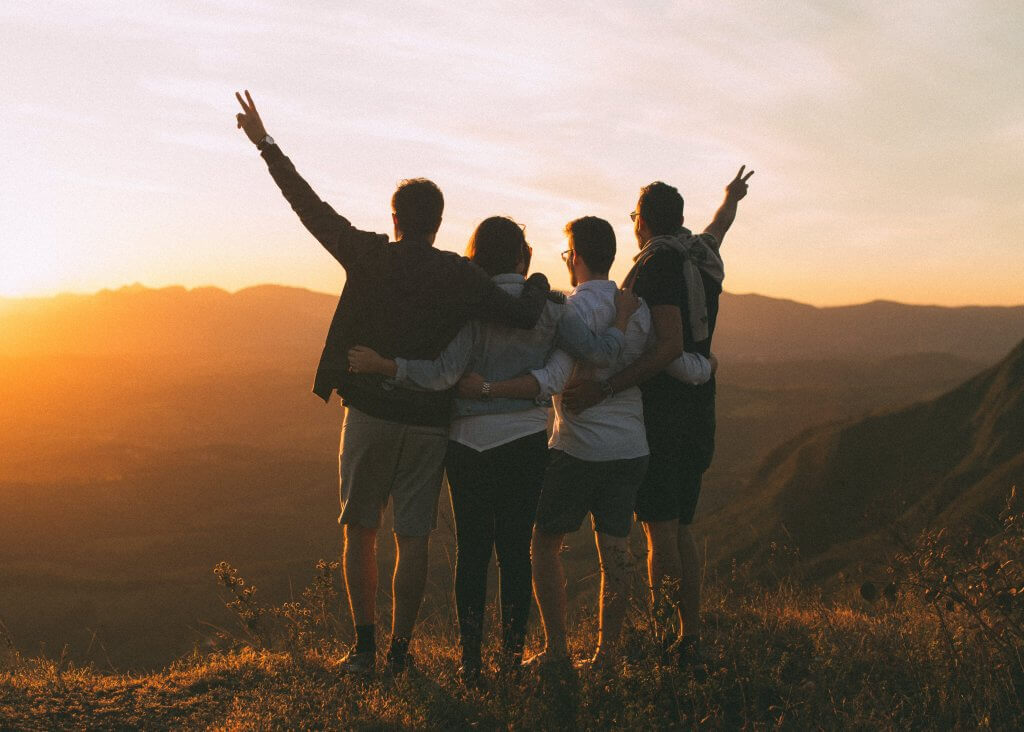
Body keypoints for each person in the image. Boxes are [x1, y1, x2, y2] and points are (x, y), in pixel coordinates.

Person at [234, 91, 554, 675]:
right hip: (431, 422)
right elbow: (523, 314)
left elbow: (309, 207)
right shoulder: (459, 273)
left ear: (396, 218)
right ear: (438, 223)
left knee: (361, 528)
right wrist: (537, 281)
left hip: (371, 414)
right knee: (414, 537)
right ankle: (402, 653)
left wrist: (266, 143)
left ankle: (363, 649)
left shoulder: (368, 255)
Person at [346, 216, 640, 682]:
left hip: (467, 444)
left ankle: (470, 664)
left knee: (473, 553)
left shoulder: (470, 308)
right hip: (524, 441)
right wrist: (621, 320)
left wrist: (390, 367)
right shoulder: (550, 308)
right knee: (515, 553)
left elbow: (442, 372)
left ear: (476, 257)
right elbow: (602, 353)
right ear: (523, 257)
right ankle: (509, 663)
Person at [476, 217, 713, 670]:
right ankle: (608, 653)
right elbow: (671, 362)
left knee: (544, 544)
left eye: (568, 255)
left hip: (579, 448)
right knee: (617, 552)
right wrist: (707, 367)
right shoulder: (638, 309)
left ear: (576, 257)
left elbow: (561, 376)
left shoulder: (570, 310)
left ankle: (558, 650)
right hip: (631, 447)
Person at [562, 168, 753, 670]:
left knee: (660, 530)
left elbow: (666, 344)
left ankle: (672, 644)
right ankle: (687, 639)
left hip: (667, 411)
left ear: (642, 222)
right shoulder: (700, 254)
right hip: (700, 406)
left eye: (633, 219)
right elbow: (721, 226)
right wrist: (731, 198)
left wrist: (605, 386)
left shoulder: (656, 268)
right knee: (681, 527)